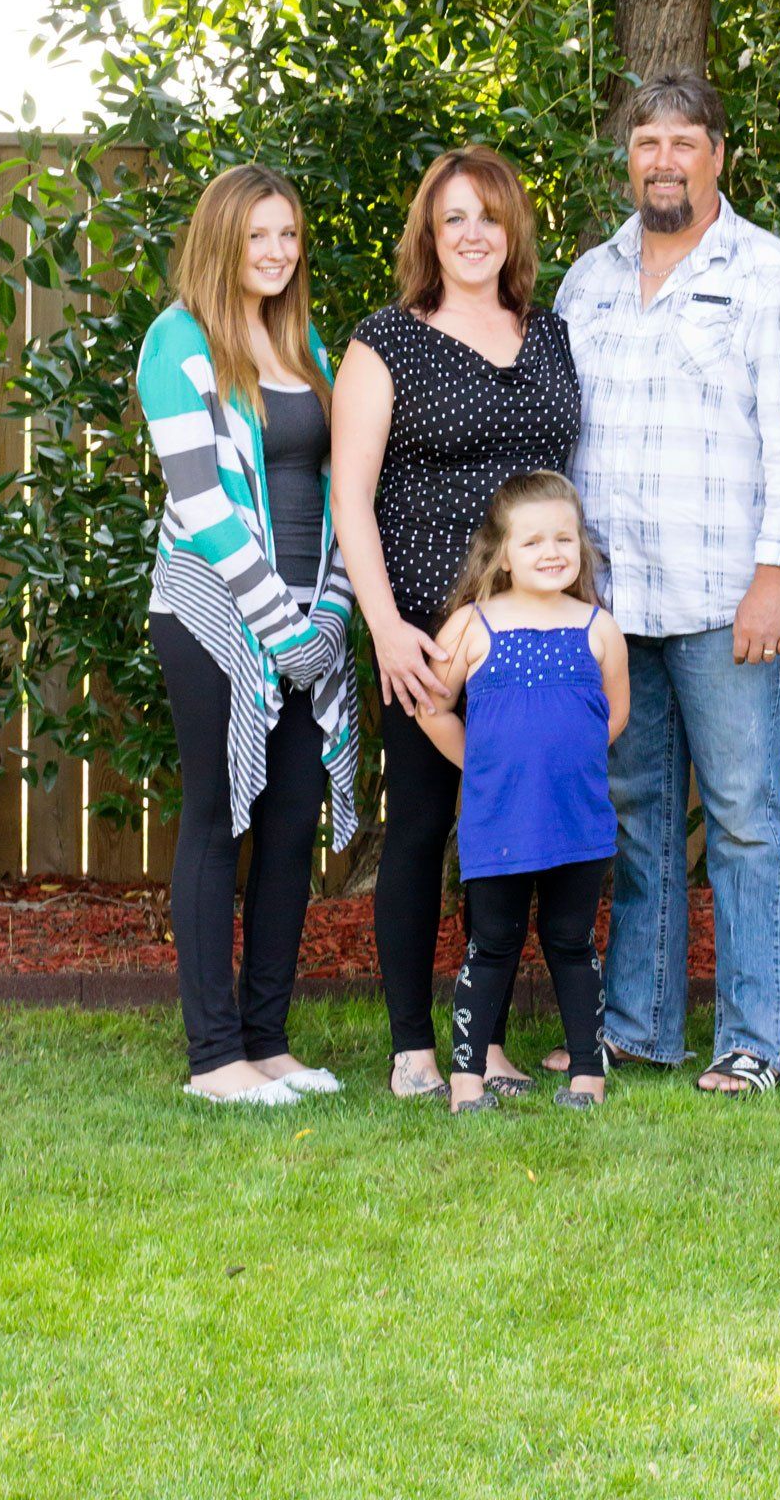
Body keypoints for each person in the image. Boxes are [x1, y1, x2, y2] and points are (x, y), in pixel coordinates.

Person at [554, 71, 780, 1095]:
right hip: (615, 604)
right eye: (647, 142)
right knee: (637, 819)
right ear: (627, 158)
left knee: (745, 820)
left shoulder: (773, 277)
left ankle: (752, 1039)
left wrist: (777, 580)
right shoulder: (588, 281)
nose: (663, 159)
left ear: (720, 154)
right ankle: (640, 1025)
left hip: (727, 602)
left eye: (684, 141)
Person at [330, 147, 581, 1098]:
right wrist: (386, 626)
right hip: (428, 632)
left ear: (513, 228)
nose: (473, 235)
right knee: (423, 824)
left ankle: (487, 1043)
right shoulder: (386, 342)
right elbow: (351, 498)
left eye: (488, 216)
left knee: (508, 831)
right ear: (428, 238)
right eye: (453, 220)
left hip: (535, 633)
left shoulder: (549, 335)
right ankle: (411, 1050)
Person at [136, 165, 358, 1105]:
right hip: (214, 615)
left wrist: (330, 617)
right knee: (219, 816)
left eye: (288, 235)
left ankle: (266, 1042)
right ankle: (213, 1058)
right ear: (221, 239)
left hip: (309, 622)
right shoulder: (178, 342)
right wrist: (279, 628)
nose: (275, 252)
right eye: (257, 235)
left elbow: (346, 486)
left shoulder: (304, 342)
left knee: (292, 818)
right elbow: (205, 506)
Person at [417, 472, 629, 1114]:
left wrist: (566, 764)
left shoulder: (599, 628)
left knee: (572, 943)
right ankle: (467, 1083)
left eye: (564, 538)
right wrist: (483, 766)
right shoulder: (470, 626)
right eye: (532, 541)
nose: (551, 552)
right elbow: (432, 709)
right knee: (492, 946)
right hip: (498, 821)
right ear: (501, 553)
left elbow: (615, 713)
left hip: (576, 822)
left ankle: (587, 1077)